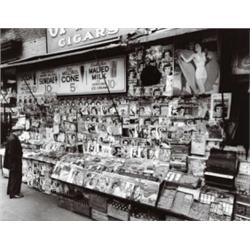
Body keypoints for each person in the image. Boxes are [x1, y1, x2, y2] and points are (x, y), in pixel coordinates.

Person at [4, 125, 24, 199]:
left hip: (12, 162)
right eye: (21, 131)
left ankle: (10, 191)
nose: (21, 133)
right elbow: (12, 153)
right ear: (17, 131)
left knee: (12, 177)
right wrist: (18, 158)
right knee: (16, 177)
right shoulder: (13, 139)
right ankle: (14, 193)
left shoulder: (11, 137)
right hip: (15, 162)